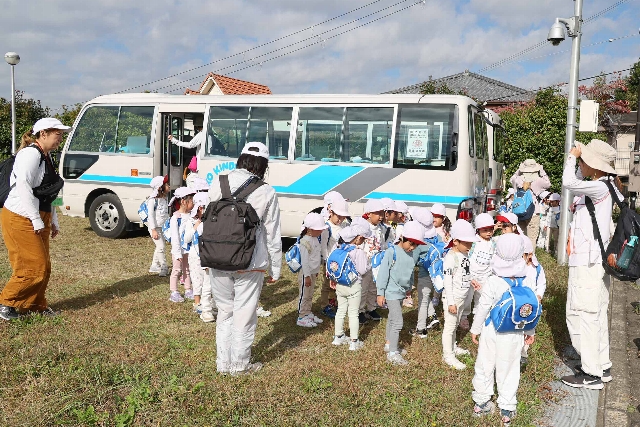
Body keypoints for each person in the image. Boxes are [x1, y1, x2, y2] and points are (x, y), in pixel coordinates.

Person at [207, 141, 282, 375]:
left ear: (241, 159)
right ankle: (239, 365)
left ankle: (222, 363)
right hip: (250, 261)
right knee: (244, 314)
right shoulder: (266, 191)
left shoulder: (218, 182)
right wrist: (276, 267)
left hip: (216, 256)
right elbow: (272, 232)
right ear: (263, 165)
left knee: (225, 310)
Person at [560, 139, 621, 389]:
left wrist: (571, 156)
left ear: (594, 167)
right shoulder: (605, 186)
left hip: (588, 263)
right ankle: (601, 365)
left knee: (580, 315)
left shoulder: (599, 187)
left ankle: (591, 373)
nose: (580, 163)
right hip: (594, 261)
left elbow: (568, 183)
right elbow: (576, 184)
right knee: (595, 315)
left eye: (584, 161)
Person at [0, 118, 69, 320]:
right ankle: (6, 303)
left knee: (44, 267)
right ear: (44, 134)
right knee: (32, 266)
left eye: (61, 135)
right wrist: (36, 220)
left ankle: (34, 305)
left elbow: (48, 193)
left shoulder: (46, 156)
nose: (60, 139)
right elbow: (22, 186)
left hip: (39, 215)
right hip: (21, 216)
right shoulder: (30, 154)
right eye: (58, 134)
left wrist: (53, 220)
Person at [470, 233, 536, 426]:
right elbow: (529, 309)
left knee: (484, 364)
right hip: (514, 332)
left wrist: (476, 329)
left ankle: (481, 402)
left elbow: (483, 307)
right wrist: (530, 332)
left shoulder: (493, 280)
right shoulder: (527, 280)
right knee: (509, 368)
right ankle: (507, 408)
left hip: (491, 329)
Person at [376, 221, 427, 365]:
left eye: (415, 245)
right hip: (391, 292)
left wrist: (409, 286)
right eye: (411, 244)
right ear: (402, 238)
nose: (412, 248)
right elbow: (383, 274)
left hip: (401, 292)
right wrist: (380, 293)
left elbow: (410, 270)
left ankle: (389, 344)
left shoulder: (411, 254)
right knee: (398, 321)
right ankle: (393, 353)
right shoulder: (391, 252)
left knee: (392, 318)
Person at [441, 219, 480, 370]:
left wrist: (472, 280)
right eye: (467, 243)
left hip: (462, 297)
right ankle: (448, 355)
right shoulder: (450, 258)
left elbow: (464, 273)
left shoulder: (464, 255)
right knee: (449, 327)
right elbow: (448, 281)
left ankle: (453, 346)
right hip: (453, 298)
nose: (470, 246)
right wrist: (451, 302)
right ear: (456, 241)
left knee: (456, 323)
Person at [331, 223, 372, 351]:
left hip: (340, 285)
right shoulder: (358, 252)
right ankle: (354, 341)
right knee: (353, 313)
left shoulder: (339, 249)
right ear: (358, 238)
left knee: (341, 310)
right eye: (364, 238)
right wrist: (369, 263)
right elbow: (362, 270)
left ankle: (338, 337)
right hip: (354, 286)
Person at [409, 208, 442, 337]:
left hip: (424, 274)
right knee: (426, 295)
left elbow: (413, 260)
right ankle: (433, 316)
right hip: (437, 273)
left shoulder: (420, 242)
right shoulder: (437, 237)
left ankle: (421, 329)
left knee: (422, 300)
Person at [460, 213, 495, 331]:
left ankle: (478, 316)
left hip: (485, 276)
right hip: (471, 275)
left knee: (482, 297)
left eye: (491, 229)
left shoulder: (493, 243)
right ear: (478, 230)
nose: (489, 232)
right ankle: (464, 316)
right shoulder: (474, 242)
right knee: (467, 297)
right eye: (485, 230)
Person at [296, 213, 328, 328]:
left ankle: (307, 312)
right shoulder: (305, 242)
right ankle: (301, 316)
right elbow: (304, 261)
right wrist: (307, 276)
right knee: (304, 295)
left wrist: (316, 270)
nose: (321, 232)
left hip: (312, 272)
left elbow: (315, 256)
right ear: (310, 229)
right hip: (306, 274)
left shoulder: (315, 239)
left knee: (310, 294)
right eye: (319, 230)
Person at [319, 195, 350, 318]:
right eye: (339, 216)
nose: (341, 219)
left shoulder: (343, 225)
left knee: (337, 283)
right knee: (327, 284)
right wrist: (326, 263)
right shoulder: (327, 227)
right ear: (330, 212)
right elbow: (323, 247)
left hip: (340, 261)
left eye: (343, 217)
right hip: (329, 261)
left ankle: (333, 301)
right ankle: (324, 305)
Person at [510, 159, 551, 248]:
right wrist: (542, 170)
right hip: (533, 212)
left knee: (520, 235)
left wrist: (520, 170)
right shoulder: (538, 181)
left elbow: (512, 177)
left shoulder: (517, 180)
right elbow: (548, 183)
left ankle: (518, 257)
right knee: (531, 238)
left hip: (519, 210)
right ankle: (529, 259)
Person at [181, 192, 210, 315]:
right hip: (195, 256)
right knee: (197, 279)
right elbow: (186, 239)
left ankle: (208, 302)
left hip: (208, 255)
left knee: (208, 280)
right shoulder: (191, 221)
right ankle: (197, 303)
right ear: (200, 208)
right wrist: (195, 227)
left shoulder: (210, 221)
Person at [359, 199, 387, 324]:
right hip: (365, 263)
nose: (380, 217)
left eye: (382, 213)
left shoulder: (381, 229)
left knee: (373, 287)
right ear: (369, 214)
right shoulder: (363, 227)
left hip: (377, 264)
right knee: (363, 288)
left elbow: (382, 243)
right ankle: (359, 310)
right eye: (377, 214)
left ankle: (371, 308)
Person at [521, 234, 546, 367]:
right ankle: (516, 352)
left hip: (532, 304)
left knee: (529, 327)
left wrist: (539, 295)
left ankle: (524, 352)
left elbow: (541, 283)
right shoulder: (516, 267)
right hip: (519, 304)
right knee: (517, 328)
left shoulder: (537, 268)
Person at [168, 187, 196, 303]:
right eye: (192, 201)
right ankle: (174, 291)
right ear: (184, 201)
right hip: (178, 250)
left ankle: (188, 289)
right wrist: (177, 252)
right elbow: (175, 237)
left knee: (187, 269)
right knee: (176, 270)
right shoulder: (175, 218)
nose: (193, 204)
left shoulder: (191, 216)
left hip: (188, 250)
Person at [145, 175, 170, 277]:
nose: (169, 186)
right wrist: (153, 230)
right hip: (154, 228)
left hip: (162, 227)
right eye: (167, 184)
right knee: (161, 246)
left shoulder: (164, 199)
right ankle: (164, 267)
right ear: (160, 187)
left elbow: (165, 214)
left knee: (160, 246)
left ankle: (154, 265)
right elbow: (150, 216)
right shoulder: (152, 200)